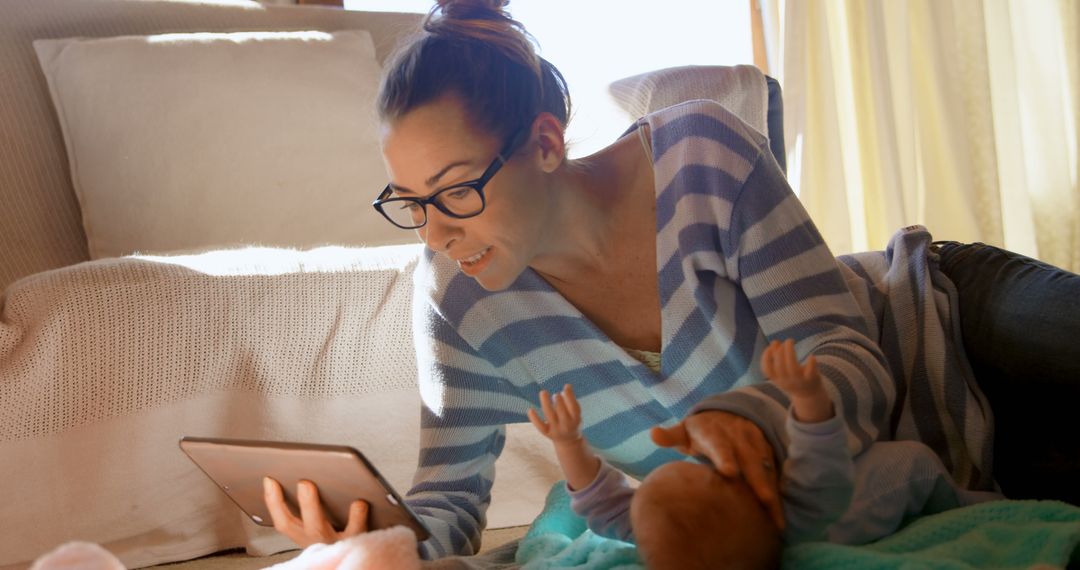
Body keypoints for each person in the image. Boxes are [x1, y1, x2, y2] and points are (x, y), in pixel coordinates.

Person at [260, 0, 1076, 560]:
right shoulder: (458, 300)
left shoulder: (698, 157)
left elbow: (849, 351)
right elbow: (449, 508)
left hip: (948, 327)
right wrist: (369, 539)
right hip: (925, 485)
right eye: (410, 203)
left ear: (546, 142)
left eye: (458, 191)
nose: (437, 231)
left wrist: (753, 419)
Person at [529, 339, 1001, 568]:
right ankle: (974, 504)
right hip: (890, 483)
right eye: (709, 470)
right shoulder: (802, 509)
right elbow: (821, 458)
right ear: (760, 497)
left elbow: (602, 505)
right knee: (917, 462)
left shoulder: (660, 538)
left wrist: (569, 444)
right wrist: (807, 399)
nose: (697, 460)